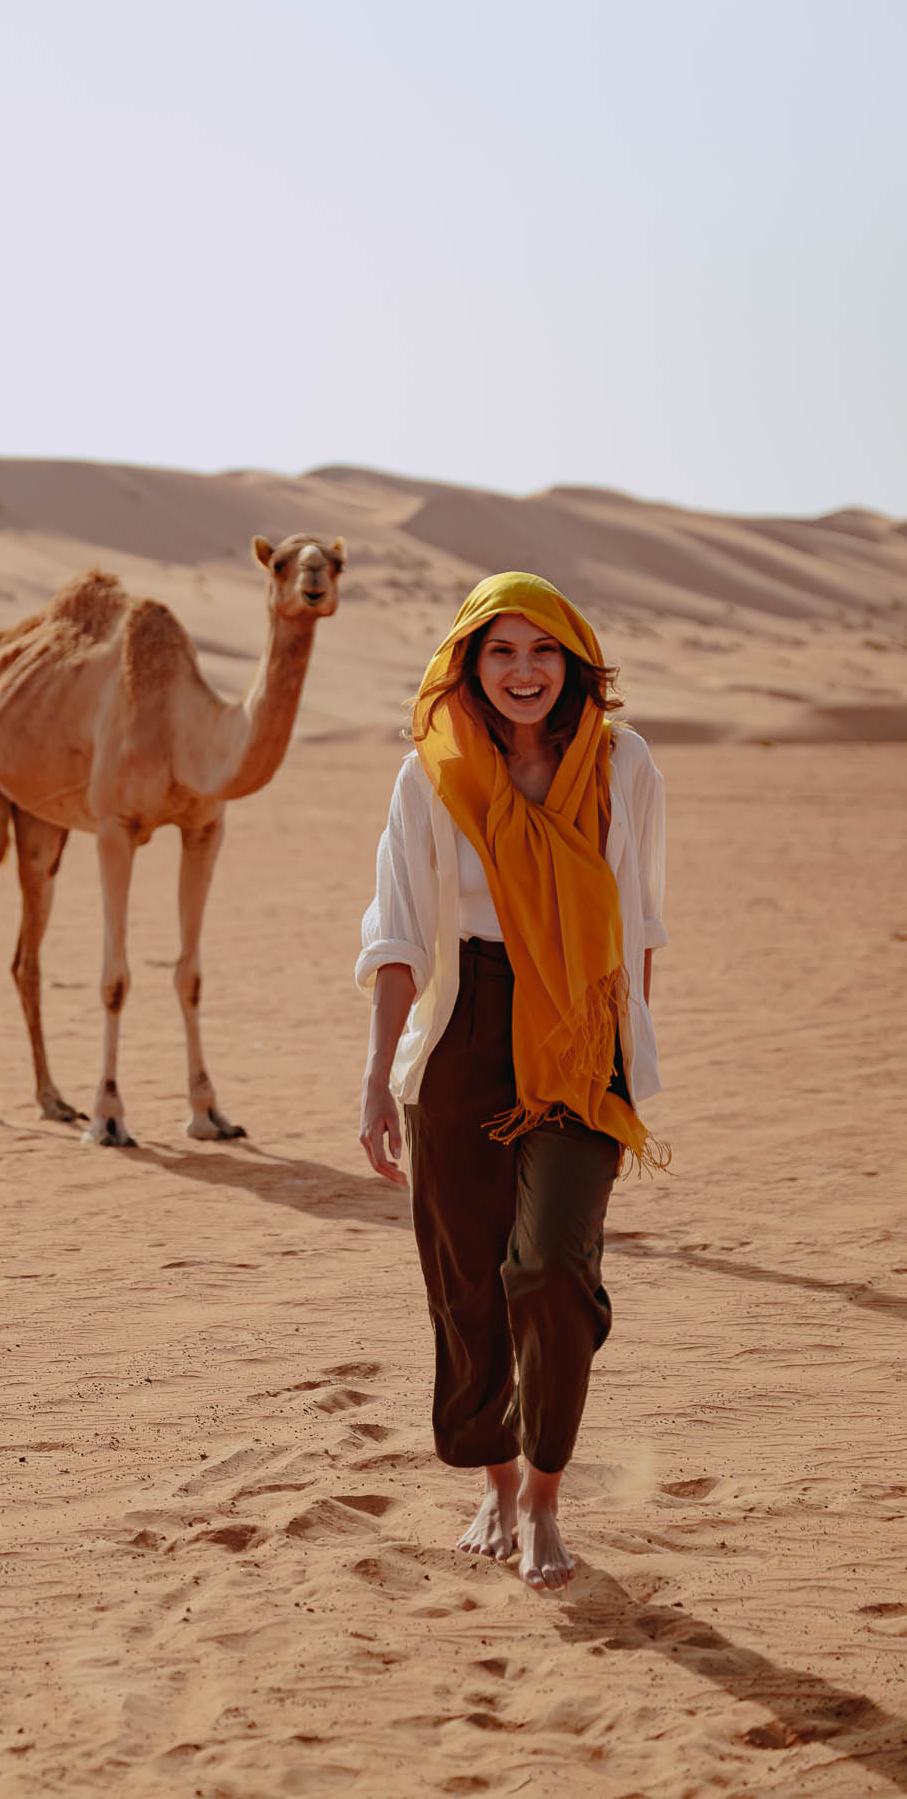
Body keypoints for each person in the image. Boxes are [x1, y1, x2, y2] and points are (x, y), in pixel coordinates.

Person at [356, 571, 668, 1593]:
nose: (524, 671)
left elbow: (639, 925)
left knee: (551, 1271)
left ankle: (543, 1493)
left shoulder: (623, 765)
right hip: (461, 1031)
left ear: (574, 660)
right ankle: (495, 1484)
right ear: (469, 663)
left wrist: (622, 1047)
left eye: (543, 650)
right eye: (501, 651)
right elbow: (398, 934)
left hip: (579, 1030)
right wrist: (376, 1072)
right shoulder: (431, 774)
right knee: (469, 1281)